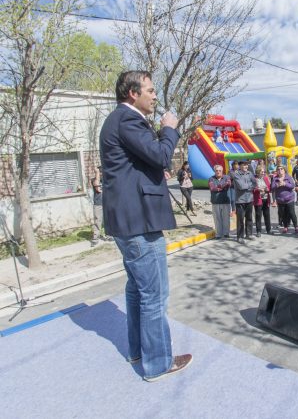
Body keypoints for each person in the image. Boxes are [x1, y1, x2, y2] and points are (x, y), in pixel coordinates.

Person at [99, 70, 191, 381]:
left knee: (138, 291)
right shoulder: (128, 120)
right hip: (139, 222)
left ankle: (139, 350)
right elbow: (161, 155)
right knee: (154, 294)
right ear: (132, 94)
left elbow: (138, 166)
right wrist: (169, 130)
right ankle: (158, 362)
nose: (154, 95)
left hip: (128, 220)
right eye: (150, 90)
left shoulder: (120, 121)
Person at [232, 160, 255, 242]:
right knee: (240, 220)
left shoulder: (250, 173)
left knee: (249, 218)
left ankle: (249, 234)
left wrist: (249, 186)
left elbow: (255, 184)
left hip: (249, 199)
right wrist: (250, 185)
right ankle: (240, 237)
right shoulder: (236, 174)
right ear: (240, 166)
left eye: (247, 165)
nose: (246, 166)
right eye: (244, 165)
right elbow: (241, 186)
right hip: (240, 200)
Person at [271, 165, 298, 234]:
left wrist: (285, 183)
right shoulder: (275, 178)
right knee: (283, 214)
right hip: (280, 200)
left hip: (289, 199)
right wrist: (278, 185)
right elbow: (272, 188)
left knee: (292, 213)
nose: (280, 170)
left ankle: (296, 227)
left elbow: (292, 186)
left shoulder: (288, 177)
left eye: (281, 169)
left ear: (284, 170)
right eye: (278, 169)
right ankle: (285, 227)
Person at [209, 164, 232, 239]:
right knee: (217, 219)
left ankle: (226, 233)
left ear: (222, 171)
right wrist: (222, 187)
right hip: (215, 202)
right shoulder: (211, 179)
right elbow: (212, 188)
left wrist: (218, 187)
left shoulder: (227, 177)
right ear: (214, 171)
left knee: (226, 218)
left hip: (225, 201)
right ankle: (218, 234)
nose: (218, 172)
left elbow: (228, 184)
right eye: (216, 171)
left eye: (220, 170)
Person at [90, 166, 111, 246]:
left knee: (108, 220)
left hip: (107, 203)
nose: (102, 174)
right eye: (100, 172)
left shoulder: (106, 180)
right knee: (97, 221)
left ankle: (108, 235)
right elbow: (98, 188)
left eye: (102, 172)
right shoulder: (94, 180)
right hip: (98, 204)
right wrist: (97, 173)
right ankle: (95, 239)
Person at [253, 165, 272, 236]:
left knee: (267, 215)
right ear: (258, 172)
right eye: (262, 172)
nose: (263, 173)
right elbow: (252, 188)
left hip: (266, 198)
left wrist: (268, 189)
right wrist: (258, 189)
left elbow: (269, 188)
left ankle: (268, 229)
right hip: (258, 199)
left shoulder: (266, 178)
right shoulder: (254, 179)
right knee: (258, 215)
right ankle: (258, 231)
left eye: (264, 172)